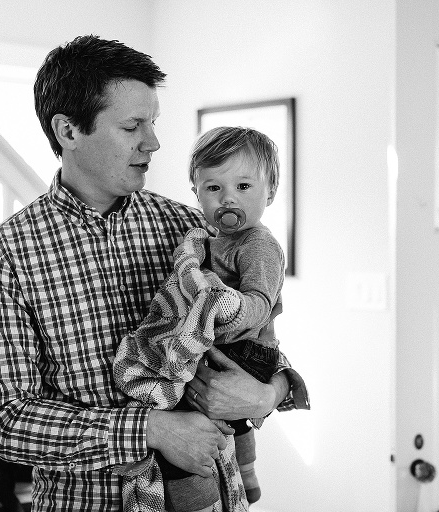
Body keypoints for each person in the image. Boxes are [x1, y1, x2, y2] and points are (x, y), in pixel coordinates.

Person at [0, 35, 309, 512]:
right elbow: (7, 421)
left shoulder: (191, 227)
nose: (153, 142)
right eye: (133, 126)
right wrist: (149, 429)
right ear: (68, 130)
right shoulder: (4, 257)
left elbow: (254, 331)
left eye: (153, 123)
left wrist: (268, 394)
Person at [113, 127, 287, 511]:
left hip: (242, 349)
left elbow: (260, 304)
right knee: (208, 423)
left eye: (243, 186)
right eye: (213, 188)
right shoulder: (207, 235)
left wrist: (268, 394)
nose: (227, 198)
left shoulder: (257, 243)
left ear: (270, 192)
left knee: (193, 420)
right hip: (229, 348)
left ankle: (201, 500)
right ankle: (249, 471)